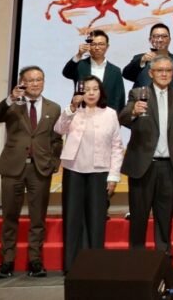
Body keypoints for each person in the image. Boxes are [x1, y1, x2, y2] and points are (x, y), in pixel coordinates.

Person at [0, 66, 62, 279]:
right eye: (30, 80)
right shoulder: (13, 104)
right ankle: (7, 261)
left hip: (39, 169)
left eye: (39, 79)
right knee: (9, 216)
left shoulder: (54, 107)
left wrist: (53, 163)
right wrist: (10, 98)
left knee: (37, 218)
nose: (35, 83)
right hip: (13, 167)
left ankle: (35, 261)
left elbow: (56, 140)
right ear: (22, 82)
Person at [119, 55, 173, 255]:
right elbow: (123, 118)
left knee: (165, 216)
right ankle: (137, 257)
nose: (164, 74)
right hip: (143, 165)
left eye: (168, 70)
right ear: (151, 73)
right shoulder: (138, 93)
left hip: (170, 167)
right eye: (160, 70)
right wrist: (133, 112)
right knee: (139, 216)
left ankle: (163, 257)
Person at [54, 75, 123, 274]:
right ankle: (72, 265)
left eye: (95, 89)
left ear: (101, 92)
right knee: (72, 218)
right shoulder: (73, 111)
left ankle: (95, 264)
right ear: (80, 92)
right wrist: (71, 108)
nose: (91, 93)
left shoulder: (110, 114)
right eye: (86, 89)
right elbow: (58, 129)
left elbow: (117, 147)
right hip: (74, 170)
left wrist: (113, 176)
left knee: (96, 218)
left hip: (99, 172)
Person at [121, 23, 173, 102]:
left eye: (164, 36)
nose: (160, 40)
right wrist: (142, 61)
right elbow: (126, 75)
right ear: (150, 39)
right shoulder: (141, 59)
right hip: (143, 107)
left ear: (169, 40)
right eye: (156, 36)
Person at [62, 29, 125, 111]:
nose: (97, 47)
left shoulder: (115, 71)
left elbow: (120, 97)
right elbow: (66, 73)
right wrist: (79, 55)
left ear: (107, 46)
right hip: (81, 112)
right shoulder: (80, 65)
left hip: (106, 114)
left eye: (101, 44)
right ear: (88, 46)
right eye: (93, 44)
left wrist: (115, 117)